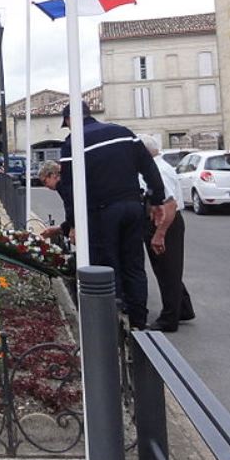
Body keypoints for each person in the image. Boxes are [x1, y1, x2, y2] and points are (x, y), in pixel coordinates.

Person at [57, 101, 165, 329]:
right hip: (133, 206)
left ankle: (112, 324)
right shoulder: (122, 132)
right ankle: (139, 322)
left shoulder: (72, 144)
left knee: (107, 263)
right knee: (134, 264)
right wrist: (157, 200)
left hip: (102, 212)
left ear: (69, 120)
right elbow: (148, 166)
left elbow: (69, 189)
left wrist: (74, 223)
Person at [138, 135, 195, 332]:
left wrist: (159, 234)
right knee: (169, 269)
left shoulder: (158, 171)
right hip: (163, 222)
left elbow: (169, 205)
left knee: (167, 271)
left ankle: (169, 318)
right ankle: (183, 308)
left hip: (164, 223)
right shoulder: (158, 167)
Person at [37, 160, 65, 241]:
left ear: (53, 175)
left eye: (45, 181)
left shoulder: (63, 186)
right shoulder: (63, 185)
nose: (46, 186)